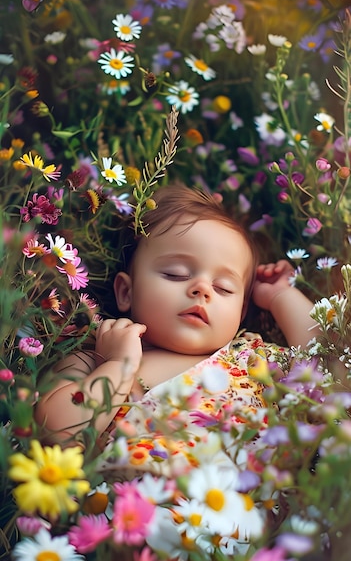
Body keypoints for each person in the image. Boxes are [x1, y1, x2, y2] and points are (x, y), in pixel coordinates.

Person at [36, 184, 317, 451]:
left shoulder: (251, 358)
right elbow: (57, 431)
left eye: (223, 288)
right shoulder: (94, 360)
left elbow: (329, 370)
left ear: (241, 312)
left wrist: (282, 296)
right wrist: (119, 365)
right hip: (140, 500)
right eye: (175, 273)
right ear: (126, 292)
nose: (202, 289)